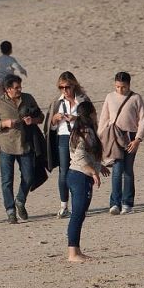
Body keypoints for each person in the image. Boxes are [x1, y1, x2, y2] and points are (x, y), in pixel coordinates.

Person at [0, 73, 43, 223]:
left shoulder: (28, 98)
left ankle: (20, 200)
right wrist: (4, 124)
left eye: (20, 87)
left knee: (29, 176)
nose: (19, 89)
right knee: (7, 180)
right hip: (7, 147)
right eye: (16, 87)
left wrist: (32, 120)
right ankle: (10, 211)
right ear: (7, 89)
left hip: (25, 145)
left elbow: (41, 117)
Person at [64, 99, 106, 261]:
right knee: (77, 214)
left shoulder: (79, 130)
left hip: (75, 175)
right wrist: (93, 172)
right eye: (94, 113)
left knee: (79, 214)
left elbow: (86, 154)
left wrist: (98, 166)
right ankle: (73, 253)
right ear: (90, 115)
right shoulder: (85, 132)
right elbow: (80, 157)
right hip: (80, 177)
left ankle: (76, 250)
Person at [100, 72, 144, 215]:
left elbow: (143, 119)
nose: (120, 90)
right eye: (117, 87)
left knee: (128, 170)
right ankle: (115, 203)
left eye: (123, 87)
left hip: (131, 136)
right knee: (117, 169)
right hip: (114, 135)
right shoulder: (110, 97)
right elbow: (104, 117)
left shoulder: (136, 98)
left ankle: (127, 203)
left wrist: (138, 139)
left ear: (129, 85)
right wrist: (99, 138)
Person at [44, 73, 88, 219]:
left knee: (81, 170)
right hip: (63, 138)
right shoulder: (57, 102)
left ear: (73, 85)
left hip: (80, 137)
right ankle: (64, 206)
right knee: (64, 172)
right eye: (61, 87)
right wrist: (54, 120)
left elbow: (91, 120)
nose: (64, 90)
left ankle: (80, 204)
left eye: (67, 87)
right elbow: (49, 128)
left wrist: (76, 118)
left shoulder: (82, 100)